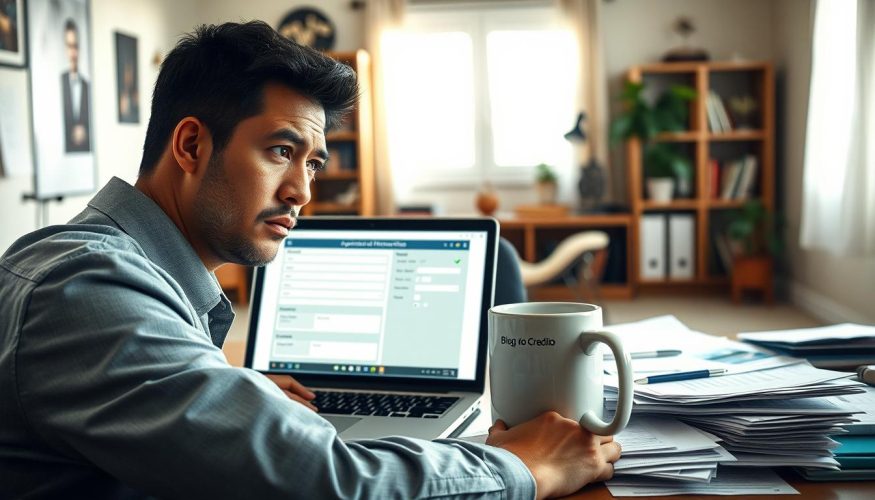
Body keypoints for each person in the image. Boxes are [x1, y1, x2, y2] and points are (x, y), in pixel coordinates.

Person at [0, 22, 620, 498]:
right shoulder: (85, 288)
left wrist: (225, 396)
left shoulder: (118, 271)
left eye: (313, 162)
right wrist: (526, 466)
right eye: (280, 150)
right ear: (191, 145)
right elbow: (324, 481)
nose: (302, 190)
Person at [61, 18, 91, 152]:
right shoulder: (60, 82)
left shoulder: (86, 85)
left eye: (75, 46)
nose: (73, 53)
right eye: (69, 46)